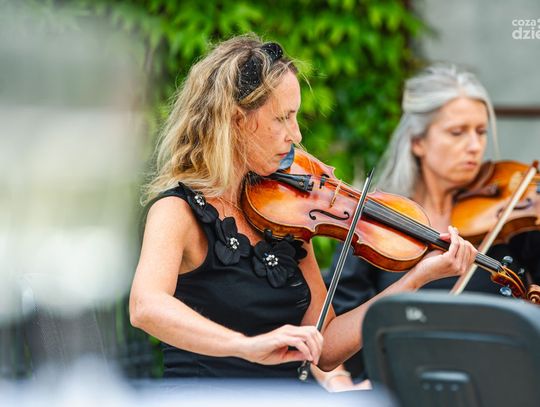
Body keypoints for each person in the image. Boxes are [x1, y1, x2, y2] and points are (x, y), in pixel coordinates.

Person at [129, 35, 478, 379]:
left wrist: (417, 277)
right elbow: (146, 307)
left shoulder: (285, 214)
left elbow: (326, 349)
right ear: (236, 120)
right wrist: (244, 345)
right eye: (282, 118)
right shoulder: (177, 211)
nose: (295, 134)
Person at [318, 63, 540, 389]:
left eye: (480, 132)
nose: (474, 146)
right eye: (457, 132)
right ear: (418, 142)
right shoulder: (377, 221)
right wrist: (340, 382)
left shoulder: (511, 216)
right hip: (397, 388)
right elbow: (331, 331)